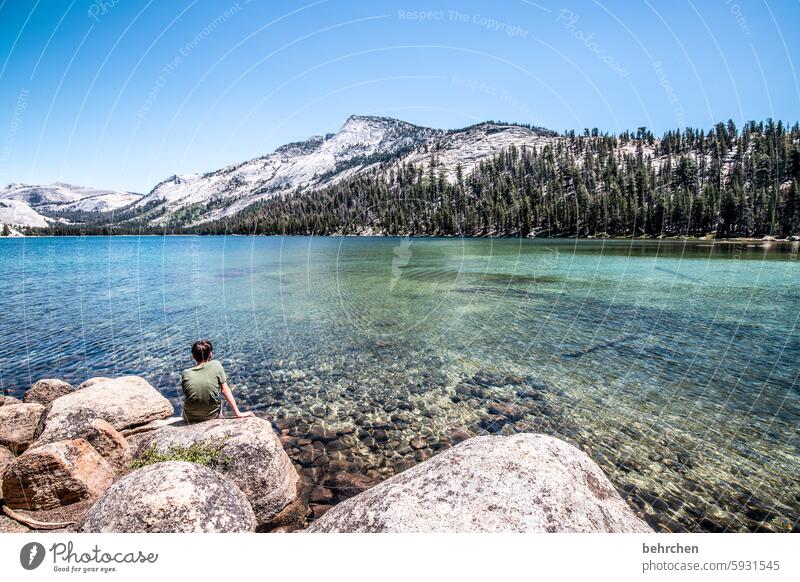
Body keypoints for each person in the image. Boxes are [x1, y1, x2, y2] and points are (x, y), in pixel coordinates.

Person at [180, 339, 254, 423]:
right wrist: (238, 413)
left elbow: (192, 395)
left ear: (193, 356)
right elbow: (225, 390)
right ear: (210, 354)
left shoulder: (185, 373)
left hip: (189, 417)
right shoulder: (216, 364)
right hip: (211, 415)